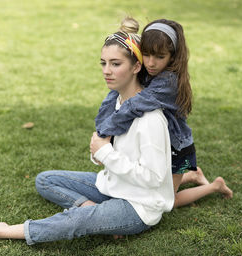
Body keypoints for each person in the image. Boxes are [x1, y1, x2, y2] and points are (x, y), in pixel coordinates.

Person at [0, 18, 175, 244]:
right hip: (113, 186)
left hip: (138, 207)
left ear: (136, 67)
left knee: (76, 221)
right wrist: (101, 154)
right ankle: (92, 209)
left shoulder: (150, 117)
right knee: (46, 180)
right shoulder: (116, 104)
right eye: (103, 63)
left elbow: (154, 178)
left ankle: (5, 230)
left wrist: (105, 153)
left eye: (115, 64)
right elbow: (110, 156)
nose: (106, 71)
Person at [94, 18, 233, 208]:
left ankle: (215, 186)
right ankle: (193, 175)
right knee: (159, 183)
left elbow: (135, 104)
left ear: (172, 57)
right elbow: (114, 96)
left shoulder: (168, 81)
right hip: (158, 143)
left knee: (168, 200)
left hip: (176, 149)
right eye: (146, 54)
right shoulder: (147, 70)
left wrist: (105, 132)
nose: (151, 63)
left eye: (160, 57)